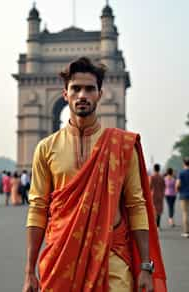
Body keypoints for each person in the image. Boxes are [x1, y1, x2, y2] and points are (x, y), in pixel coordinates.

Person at [22, 57, 166, 292]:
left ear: (100, 94)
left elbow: (135, 205)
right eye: (75, 88)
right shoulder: (46, 148)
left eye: (89, 89)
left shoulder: (121, 145)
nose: (82, 95)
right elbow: (37, 209)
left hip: (113, 260)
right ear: (65, 94)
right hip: (61, 257)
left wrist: (145, 267)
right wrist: (29, 271)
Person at [176, 157, 189, 238]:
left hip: (184, 195)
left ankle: (187, 232)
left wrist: (178, 190)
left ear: (184, 163)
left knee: (185, 213)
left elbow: (178, 185)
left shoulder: (181, 173)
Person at [150, 164, 165, 230]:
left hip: (153, 195)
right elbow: (164, 186)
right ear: (159, 169)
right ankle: (158, 225)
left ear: (154, 169)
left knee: (154, 209)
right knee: (159, 210)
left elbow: (150, 186)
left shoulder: (152, 177)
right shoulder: (161, 177)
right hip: (160, 195)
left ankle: (154, 224)